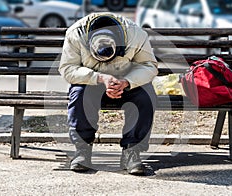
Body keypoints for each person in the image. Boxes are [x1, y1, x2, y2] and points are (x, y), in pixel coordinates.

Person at [59, 12, 158, 175]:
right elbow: (68, 69)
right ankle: (82, 151)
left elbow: (148, 65)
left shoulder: (136, 34)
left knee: (146, 95)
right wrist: (100, 78)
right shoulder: (75, 34)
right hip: (93, 81)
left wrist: (126, 82)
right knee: (78, 93)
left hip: (126, 81)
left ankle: (131, 152)